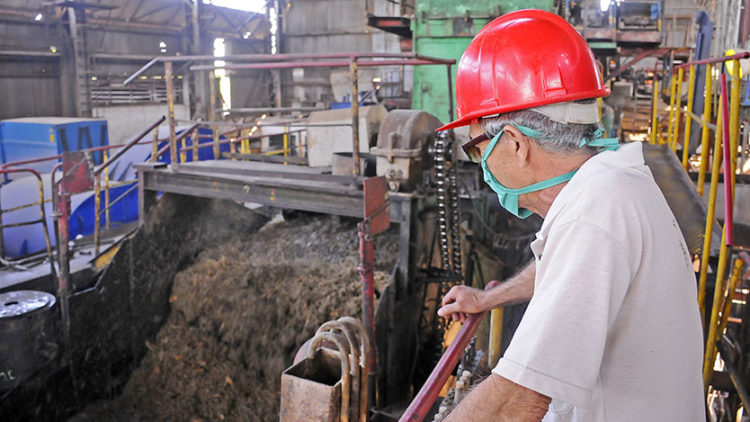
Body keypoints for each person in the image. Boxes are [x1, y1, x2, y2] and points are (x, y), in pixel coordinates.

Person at [435, 10, 705, 421]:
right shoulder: (612, 181)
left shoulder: (595, 213)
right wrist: (488, 299)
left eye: (476, 149)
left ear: (513, 144)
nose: (480, 165)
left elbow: (517, 401)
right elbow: (558, 271)